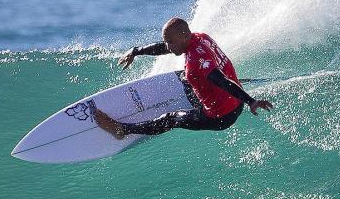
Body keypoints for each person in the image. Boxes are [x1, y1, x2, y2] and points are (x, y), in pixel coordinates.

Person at [91, 17, 273, 139]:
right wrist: (137, 51)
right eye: (167, 41)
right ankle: (196, 92)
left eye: (171, 41)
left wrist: (251, 101)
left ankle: (122, 130)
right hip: (235, 103)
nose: (168, 46)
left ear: (184, 35)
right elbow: (165, 48)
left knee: (170, 119)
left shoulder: (195, 59)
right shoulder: (200, 37)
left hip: (221, 116)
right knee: (186, 77)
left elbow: (222, 81)